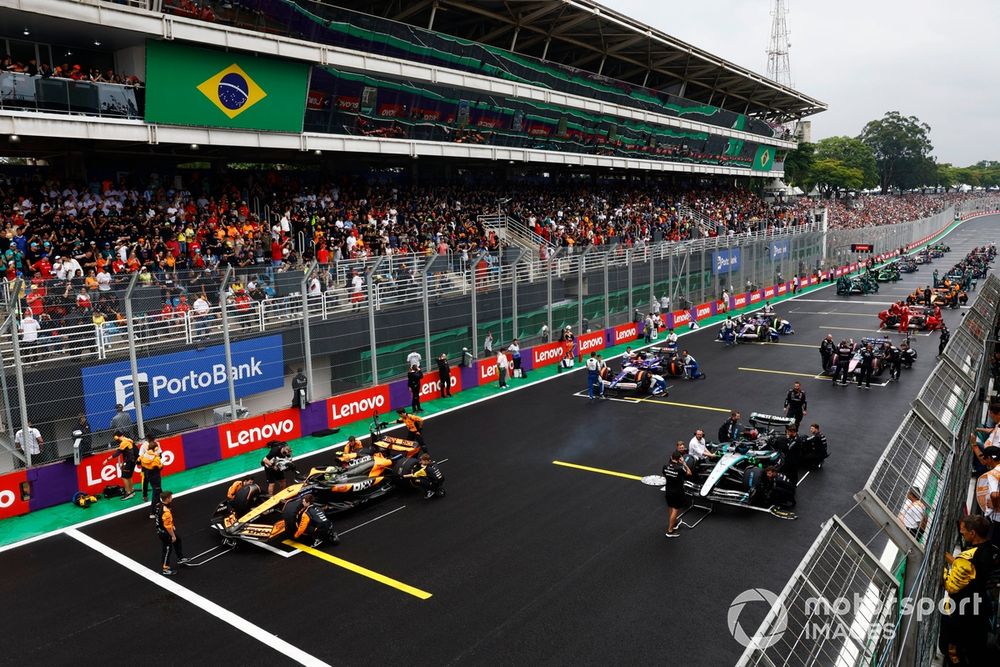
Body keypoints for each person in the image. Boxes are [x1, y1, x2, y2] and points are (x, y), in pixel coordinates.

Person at [938, 515, 999, 666]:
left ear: (973, 533)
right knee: (975, 648)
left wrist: (943, 570)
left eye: (964, 531)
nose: (962, 534)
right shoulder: (993, 550)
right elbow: (974, 570)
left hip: (961, 610)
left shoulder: (967, 558)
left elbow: (951, 586)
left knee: (952, 650)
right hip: (982, 606)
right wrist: (953, 560)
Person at [973, 446, 1000, 547]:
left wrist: (995, 504)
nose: (985, 461)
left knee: (994, 548)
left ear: (990, 458)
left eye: (986, 458)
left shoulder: (993, 474)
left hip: (998, 519)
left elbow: (994, 494)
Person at [155, 491, 187, 575]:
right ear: (167, 499)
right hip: (165, 533)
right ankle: (165, 569)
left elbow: (162, 520)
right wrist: (173, 536)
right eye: (171, 497)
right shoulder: (166, 511)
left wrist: (172, 525)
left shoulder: (158, 505)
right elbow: (167, 526)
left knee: (178, 539)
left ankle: (181, 557)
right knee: (167, 549)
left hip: (161, 529)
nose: (172, 498)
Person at [663, 450, 691, 538]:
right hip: (677, 492)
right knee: (675, 510)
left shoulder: (665, 466)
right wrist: (684, 464)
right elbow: (689, 473)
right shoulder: (679, 468)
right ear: (679, 459)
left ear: (671, 457)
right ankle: (670, 531)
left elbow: (665, 474)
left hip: (668, 491)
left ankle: (674, 523)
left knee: (671, 507)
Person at [104, 431, 137, 499]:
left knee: (124, 477)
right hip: (132, 461)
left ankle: (128, 493)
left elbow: (117, 453)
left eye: (115, 438)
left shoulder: (124, 442)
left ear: (118, 436)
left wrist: (107, 460)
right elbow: (125, 453)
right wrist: (123, 463)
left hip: (129, 462)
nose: (115, 440)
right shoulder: (127, 439)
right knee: (129, 476)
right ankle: (132, 491)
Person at [137, 438, 164, 516]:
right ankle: (152, 511)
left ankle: (162, 504)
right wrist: (161, 465)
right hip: (155, 476)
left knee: (158, 490)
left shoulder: (144, 455)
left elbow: (138, 462)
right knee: (156, 492)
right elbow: (159, 468)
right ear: (155, 448)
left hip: (147, 473)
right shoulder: (156, 458)